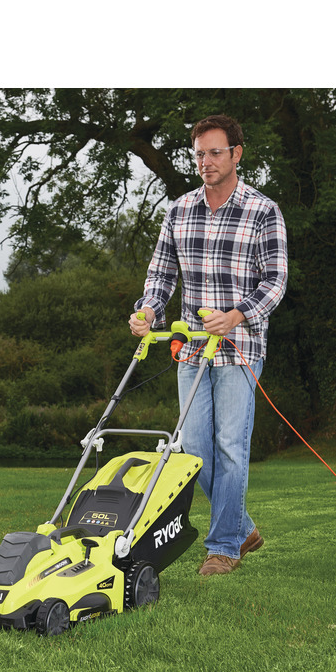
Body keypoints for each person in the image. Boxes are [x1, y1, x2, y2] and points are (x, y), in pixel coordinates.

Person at [129, 114, 288, 576]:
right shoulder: (179, 210)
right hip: (192, 350)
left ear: (236, 154)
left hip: (240, 348)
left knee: (230, 446)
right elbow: (161, 276)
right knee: (193, 450)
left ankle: (223, 548)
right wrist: (148, 311)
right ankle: (243, 527)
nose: (206, 161)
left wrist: (237, 314)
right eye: (199, 154)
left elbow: (275, 281)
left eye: (215, 152)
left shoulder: (262, 211)